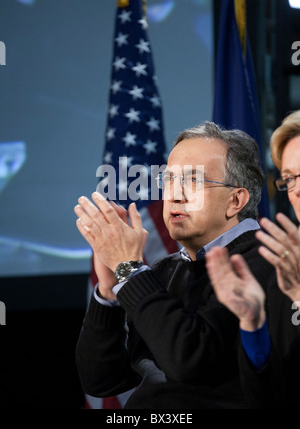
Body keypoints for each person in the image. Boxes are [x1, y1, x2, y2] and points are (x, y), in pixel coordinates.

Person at [74, 121, 277, 409]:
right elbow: (101, 381)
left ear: (235, 200)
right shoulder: (162, 271)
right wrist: (108, 293)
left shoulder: (266, 261)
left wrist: (129, 270)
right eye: (169, 180)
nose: (175, 194)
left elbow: (190, 361)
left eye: (193, 181)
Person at [206, 110, 300, 408]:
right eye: (289, 179)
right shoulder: (279, 267)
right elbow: (267, 397)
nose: (296, 190)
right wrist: (252, 323)